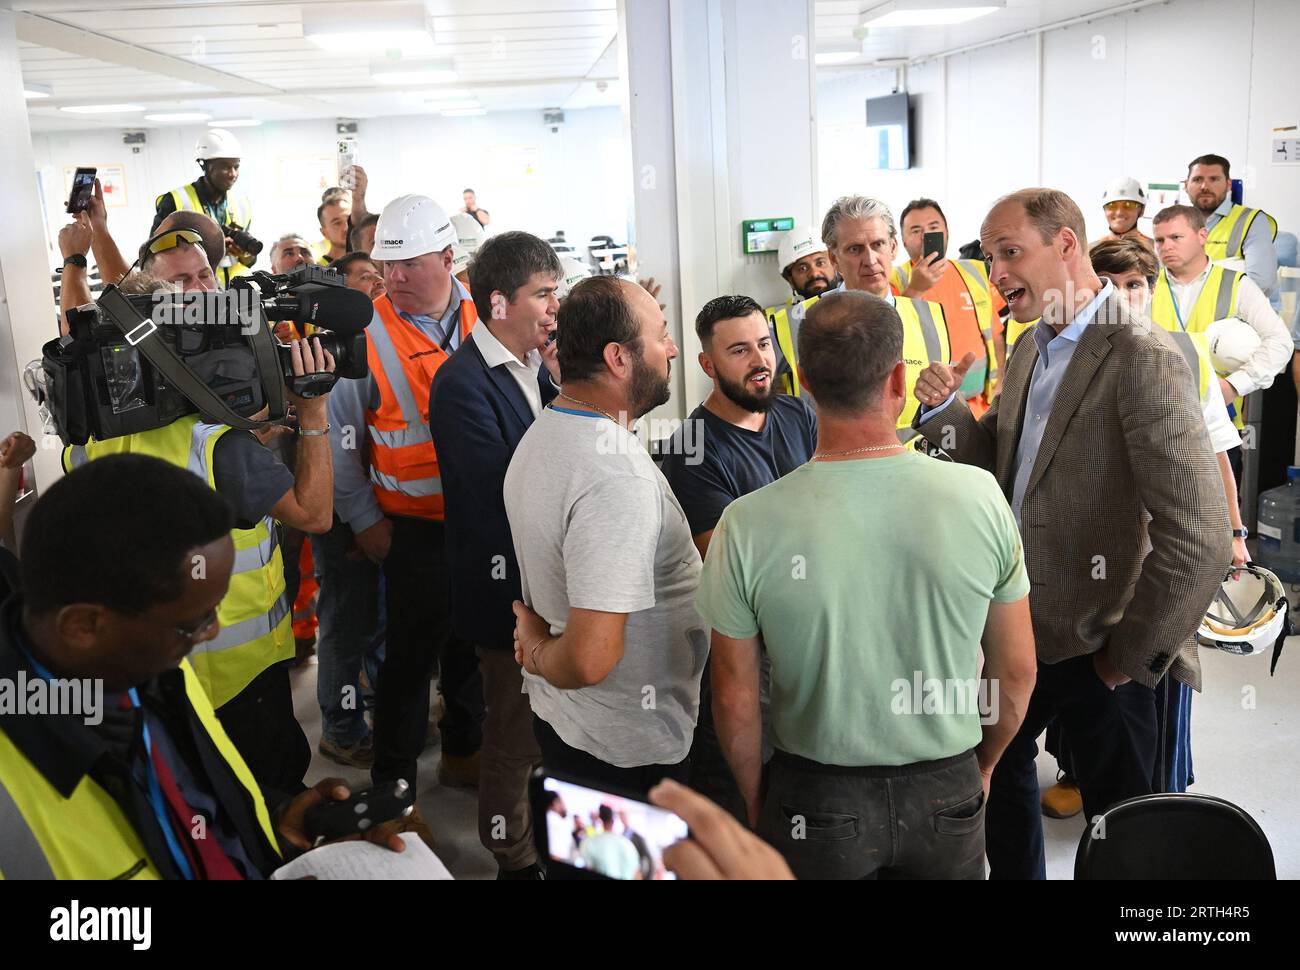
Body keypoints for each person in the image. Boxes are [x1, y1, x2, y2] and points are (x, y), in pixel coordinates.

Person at [911, 188, 1231, 879]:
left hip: (1105, 649)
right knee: (998, 788)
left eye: (1009, 252)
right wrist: (943, 412)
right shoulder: (1030, 347)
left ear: (1064, 245)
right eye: (990, 255)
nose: (994, 272)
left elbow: (1199, 534)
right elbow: (1001, 464)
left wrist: (1126, 659)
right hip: (1024, 633)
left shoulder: (1140, 355)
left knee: (1127, 838)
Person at [697, 291, 1036, 879]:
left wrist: (756, 797)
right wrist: (980, 768)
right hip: (945, 786)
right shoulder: (978, 496)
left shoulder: (747, 523)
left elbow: (733, 694)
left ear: (800, 380)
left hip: (815, 795)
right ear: (899, 380)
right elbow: (1018, 670)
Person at [0, 455, 403, 879]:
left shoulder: (151, 667)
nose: (211, 632)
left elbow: (192, 800)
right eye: (195, 621)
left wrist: (274, 825)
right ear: (83, 626)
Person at [65, 228, 337, 799]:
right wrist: (312, 414)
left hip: (146, 679)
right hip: (239, 676)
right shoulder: (217, 446)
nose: (201, 292)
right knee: (269, 802)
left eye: (206, 276)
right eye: (181, 285)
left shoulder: (85, 442)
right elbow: (313, 515)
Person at [1039, 237, 1253, 817]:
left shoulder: (1174, 353)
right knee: (1088, 710)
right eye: (1117, 284)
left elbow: (1215, 454)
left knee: (1148, 699)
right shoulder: (1055, 351)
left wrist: (1234, 534)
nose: (1128, 296)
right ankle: (1078, 775)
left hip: (1154, 573)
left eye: (1138, 285)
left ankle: (1155, 800)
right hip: (1077, 586)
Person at [506, 276, 707, 793]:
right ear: (619, 358)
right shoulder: (615, 477)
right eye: (661, 334)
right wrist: (535, 651)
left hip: (577, 728)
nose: (673, 349)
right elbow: (589, 657)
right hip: (625, 754)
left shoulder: (552, 430)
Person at [326, 194, 484, 804]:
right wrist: (365, 520)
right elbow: (340, 441)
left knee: (471, 645)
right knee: (406, 664)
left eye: (408, 265)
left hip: (483, 523)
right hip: (411, 529)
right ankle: (394, 789)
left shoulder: (488, 315)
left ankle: (465, 752)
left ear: (448, 259)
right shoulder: (364, 330)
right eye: (388, 265)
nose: (393, 277)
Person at [428, 231, 562, 879]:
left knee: (544, 733)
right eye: (543, 294)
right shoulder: (462, 385)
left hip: (548, 588)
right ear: (499, 302)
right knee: (512, 736)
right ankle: (512, 857)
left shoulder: (537, 370)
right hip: (506, 594)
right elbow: (500, 491)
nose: (553, 309)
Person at [659, 295, 816, 819]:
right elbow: (731, 568)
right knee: (758, 795)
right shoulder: (694, 449)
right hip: (756, 657)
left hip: (815, 640)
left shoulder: (799, 413)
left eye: (765, 344)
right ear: (707, 364)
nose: (760, 361)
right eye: (739, 350)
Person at [1149, 204, 1290, 478]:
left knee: (1218, 518)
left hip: (1217, 427)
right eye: (1159, 240)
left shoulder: (1236, 283)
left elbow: (1279, 342)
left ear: (1202, 236)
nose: (1166, 246)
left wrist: (1234, 386)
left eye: (1176, 237)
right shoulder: (1145, 284)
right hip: (1154, 423)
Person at [817, 195, 951, 433]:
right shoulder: (800, 322)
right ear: (833, 258)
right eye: (855, 249)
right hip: (834, 468)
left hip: (914, 466)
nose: (870, 260)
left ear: (893, 247)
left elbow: (939, 411)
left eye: (877, 244)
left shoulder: (931, 317)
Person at [892, 198, 1006, 416]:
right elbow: (890, 336)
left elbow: (995, 336)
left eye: (933, 228)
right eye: (916, 230)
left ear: (946, 232)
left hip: (980, 408)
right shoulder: (896, 280)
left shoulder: (975, 273)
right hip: (924, 413)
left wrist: (1000, 384)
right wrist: (915, 290)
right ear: (903, 242)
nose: (926, 236)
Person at [152, 128, 255, 287]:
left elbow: (249, 258)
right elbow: (155, 253)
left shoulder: (242, 204)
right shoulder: (176, 200)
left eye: (236, 166)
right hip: (192, 291)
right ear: (204, 166)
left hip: (235, 292)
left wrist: (244, 253)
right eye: (225, 167)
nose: (232, 174)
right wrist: (213, 248)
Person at [1186, 153, 1280, 306]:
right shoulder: (1176, 221)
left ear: (1228, 185)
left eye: (1214, 179)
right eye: (1197, 179)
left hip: (1236, 318)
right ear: (1186, 185)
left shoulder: (1252, 220)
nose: (1204, 186)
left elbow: (1261, 284)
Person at [766, 225, 839, 397]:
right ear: (790, 279)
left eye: (820, 262)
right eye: (803, 268)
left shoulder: (862, 303)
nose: (814, 273)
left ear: (834, 263)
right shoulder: (778, 321)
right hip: (804, 421)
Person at [578, 805, 641, 879]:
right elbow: (637, 874)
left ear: (599, 819)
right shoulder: (628, 844)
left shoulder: (589, 842)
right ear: (613, 821)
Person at [1097, 177, 1154, 250]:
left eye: (1129, 205)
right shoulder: (1091, 251)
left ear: (1142, 210)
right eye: (1111, 205)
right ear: (1104, 210)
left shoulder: (1155, 249)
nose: (1119, 212)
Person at [314, 195, 352, 265]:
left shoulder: (371, 260)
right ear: (324, 233)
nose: (346, 227)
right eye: (337, 223)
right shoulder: (319, 270)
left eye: (349, 219)